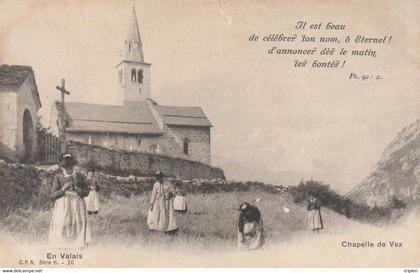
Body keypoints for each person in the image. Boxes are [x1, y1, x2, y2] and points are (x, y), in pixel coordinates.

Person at [48, 154, 91, 249]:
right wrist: (63, 189)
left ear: (73, 166)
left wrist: (77, 189)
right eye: (65, 167)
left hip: (77, 204)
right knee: (63, 222)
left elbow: (86, 192)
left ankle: (77, 244)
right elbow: (52, 195)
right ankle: (62, 245)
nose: (68, 169)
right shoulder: (58, 177)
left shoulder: (79, 176)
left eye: (70, 167)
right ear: (62, 168)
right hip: (63, 205)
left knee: (77, 223)